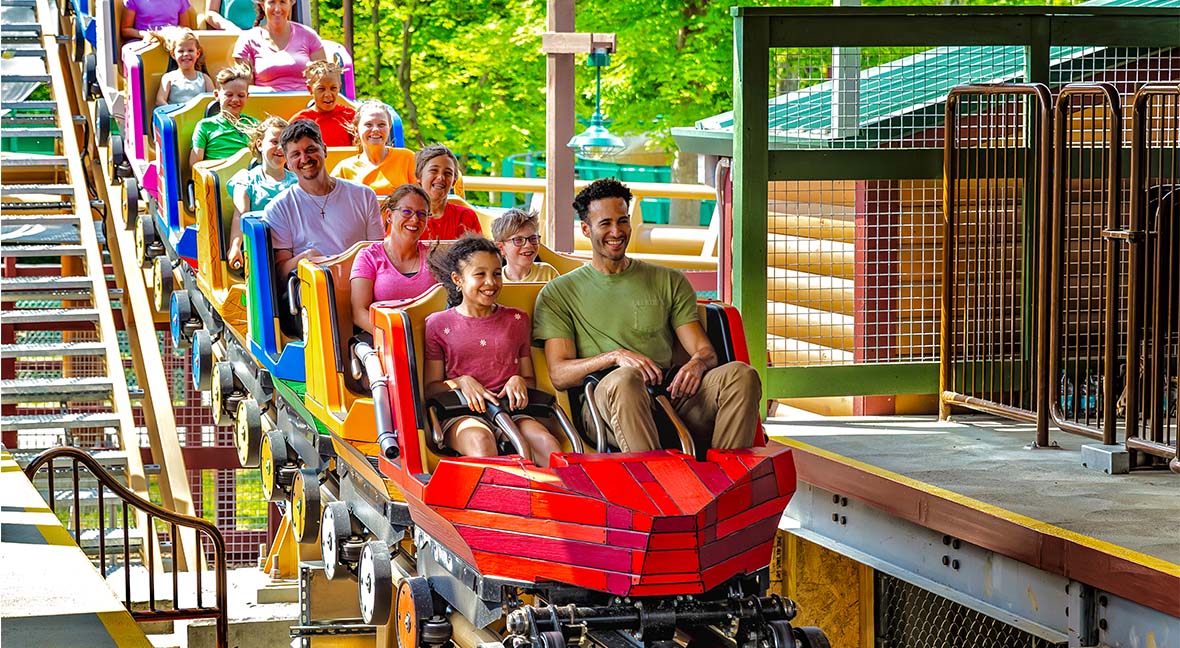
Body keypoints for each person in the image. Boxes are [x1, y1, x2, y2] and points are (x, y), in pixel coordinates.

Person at [532, 178, 761, 454]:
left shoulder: (668, 280)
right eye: (605, 223)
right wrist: (615, 356)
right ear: (585, 229)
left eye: (623, 221)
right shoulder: (559, 292)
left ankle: (726, 482)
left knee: (742, 375)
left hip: (668, 395)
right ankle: (657, 483)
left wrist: (697, 365)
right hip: (604, 403)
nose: (616, 231)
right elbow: (559, 373)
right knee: (626, 379)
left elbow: (705, 351)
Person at [423, 236, 563, 467]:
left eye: (497, 273)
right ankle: (497, 500)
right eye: (480, 274)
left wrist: (518, 380)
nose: (491, 282)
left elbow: (530, 379)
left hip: (511, 409)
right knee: (481, 441)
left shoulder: (517, 319)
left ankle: (558, 497)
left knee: (547, 444)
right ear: (458, 279)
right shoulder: (438, 324)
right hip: (461, 411)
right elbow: (430, 388)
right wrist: (461, 381)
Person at [348, 184, 436, 336]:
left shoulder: (434, 258)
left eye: (422, 214)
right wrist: (394, 338)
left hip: (429, 341)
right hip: (384, 341)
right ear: (389, 215)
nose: (415, 219)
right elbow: (359, 312)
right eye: (407, 212)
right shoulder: (368, 257)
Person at [226, 116, 296, 270]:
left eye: (284, 143)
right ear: (260, 144)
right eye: (274, 142)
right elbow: (240, 215)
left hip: (292, 246)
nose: (280, 148)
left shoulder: (297, 181)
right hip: (261, 247)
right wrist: (235, 246)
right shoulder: (246, 179)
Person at [232, 0, 325, 92]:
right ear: (263, 5)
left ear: (290, 4)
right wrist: (271, 93)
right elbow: (242, 88)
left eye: (283, 2)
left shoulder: (308, 35)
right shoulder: (247, 39)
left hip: (306, 102)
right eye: (272, 2)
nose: (277, 9)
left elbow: (325, 81)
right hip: (266, 104)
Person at [330, 101, 415, 196]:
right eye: (368, 125)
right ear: (356, 130)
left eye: (381, 125)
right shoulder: (344, 169)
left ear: (389, 127)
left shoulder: (407, 158)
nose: (375, 129)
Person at [190, 64, 258, 166]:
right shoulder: (205, 126)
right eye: (229, 95)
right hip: (218, 177)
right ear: (217, 95)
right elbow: (195, 164)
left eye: (241, 95)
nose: (235, 100)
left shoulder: (254, 124)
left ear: (247, 97)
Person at [416, 144, 481, 240]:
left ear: (454, 181)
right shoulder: (408, 217)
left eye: (448, 173)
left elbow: (479, 253)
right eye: (434, 170)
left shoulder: (466, 217)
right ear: (419, 176)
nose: (441, 177)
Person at [287, 61, 354, 147]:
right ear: (310, 89)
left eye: (333, 88)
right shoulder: (300, 121)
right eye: (321, 89)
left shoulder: (350, 116)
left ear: (339, 88)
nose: (328, 94)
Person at [491, 208, 558, 283]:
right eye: (518, 240)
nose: (528, 245)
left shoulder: (548, 274)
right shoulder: (494, 281)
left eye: (533, 238)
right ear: (501, 248)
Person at [154, 28, 214, 107]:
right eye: (181, 51)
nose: (186, 54)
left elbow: (213, 100)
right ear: (173, 54)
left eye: (190, 50)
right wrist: (175, 113)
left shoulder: (204, 79)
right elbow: (160, 100)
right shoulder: (169, 78)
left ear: (198, 53)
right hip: (176, 117)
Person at [120, 0, 194, 43]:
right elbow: (125, 30)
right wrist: (144, 35)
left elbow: (184, 28)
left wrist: (170, 36)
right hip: (143, 40)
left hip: (171, 40)